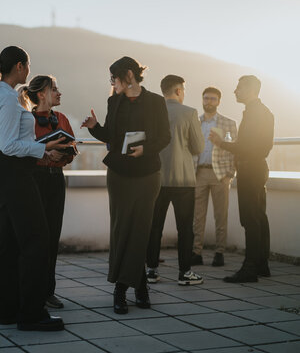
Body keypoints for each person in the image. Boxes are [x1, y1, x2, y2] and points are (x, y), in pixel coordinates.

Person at [0, 46, 69, 331]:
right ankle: (31, 313)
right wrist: (43, 148)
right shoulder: (7, 98)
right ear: (20, 66)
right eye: (28, 65)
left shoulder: (0, 94)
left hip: (9, 172)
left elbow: (6, 145)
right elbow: (8, 146)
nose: (29, 70)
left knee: (7, 245)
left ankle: (8, 311)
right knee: (36, 240)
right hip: (15, 173)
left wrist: (40, 149)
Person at [81, 56, 170, 314]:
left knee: (140, 230)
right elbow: (111, 135)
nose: (112, 83)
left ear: (128, 75)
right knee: (121, 230)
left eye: (114, 77)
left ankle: (125, 287)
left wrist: (145, 149)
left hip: (147, 173)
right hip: (119, 173)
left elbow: (165, 137)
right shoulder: (114, 101)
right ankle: (133, 288)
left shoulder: (156, 102)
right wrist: (95, 127)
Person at [18, 75, 76, 309]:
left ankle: (47, 290)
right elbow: (23, 151)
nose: (59, 92)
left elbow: (72, 149)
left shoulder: (61, 118)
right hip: (35, 180)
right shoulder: (26, 120)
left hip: (56, 180)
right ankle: (30, 289)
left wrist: (64, 154)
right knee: (35, 237)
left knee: (53, 236)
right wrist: (44, 154)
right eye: (54, 89)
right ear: (41, 94)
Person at [210, 75, 274, 283]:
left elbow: (249, 146)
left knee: (250, 219)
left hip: (251, 169)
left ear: (249, 89)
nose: (235, 91)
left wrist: (222, 143)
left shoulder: (255, 113)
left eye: (238, 87)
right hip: (257, 169)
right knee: (259, 216)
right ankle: (262, 264)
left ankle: (250, 268)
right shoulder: (262, 112)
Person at [146, 75, 205, 286]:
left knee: (154, 227)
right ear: (179, 90)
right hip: (183, 181)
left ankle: (151, 271)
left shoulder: (151, 112)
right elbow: (198, 148)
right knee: (185, 228)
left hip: (156, 178)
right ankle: (185, 273)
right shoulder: (189, 113)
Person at [192, 87, 237, 267]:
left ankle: (219, 252)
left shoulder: (228, 124)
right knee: (198, 215)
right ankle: (196, 252)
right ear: (202, 100)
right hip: (199, 172)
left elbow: (234, 148)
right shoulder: (195, 122)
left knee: (221, 214)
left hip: (220, 174)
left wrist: (229, 174)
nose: (209, 101)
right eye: (206, 98)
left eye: (212, 99)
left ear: (218, 101)